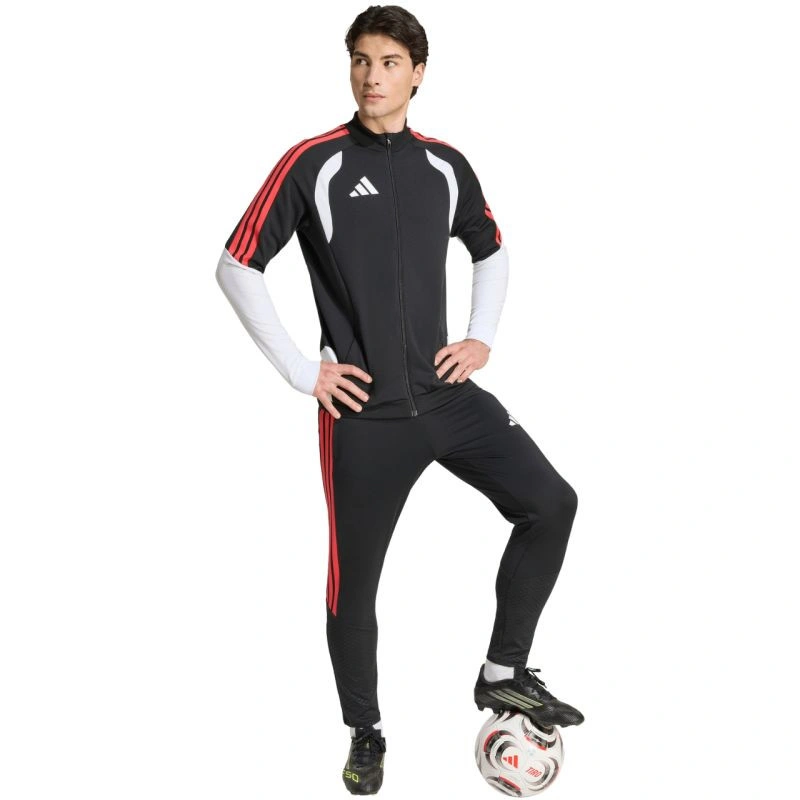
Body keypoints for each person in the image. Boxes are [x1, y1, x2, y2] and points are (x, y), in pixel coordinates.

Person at [216, 4, 583, 795]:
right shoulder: (312, 162)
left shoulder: (445, 165)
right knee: (353, 587)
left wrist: (480, 337)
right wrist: (302, 370)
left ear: (417, 73)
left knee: (552, 503)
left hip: (446, 396)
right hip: (363, 417)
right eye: (360, 60)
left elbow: (491, 249)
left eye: (388, 62)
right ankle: (366, 731)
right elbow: (236, 264)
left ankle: (503, 672)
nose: (371, 76)